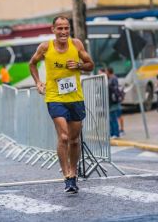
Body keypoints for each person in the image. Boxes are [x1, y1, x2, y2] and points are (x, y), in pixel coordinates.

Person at [29, 16, 94, 194]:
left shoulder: (77, 45)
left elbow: (90, 65)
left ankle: (74, 173)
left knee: (74, 140)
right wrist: (38, 82)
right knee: (64, 137)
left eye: (66, 28)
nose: (63, 32)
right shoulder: (45, 47)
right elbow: (32, 64)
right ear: (53, 30)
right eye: (60, 28)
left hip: (75, 97)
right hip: (54, 96)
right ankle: (66, 176)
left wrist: (79, 65)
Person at [106, 67, 120, 138]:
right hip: (111, 101)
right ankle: (112, 133)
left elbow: (115, 89)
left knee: (113, 118)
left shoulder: (113, 78)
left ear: (109, 72)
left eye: (106, 71)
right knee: (111, 118)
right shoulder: (110, 79)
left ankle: (116, 133)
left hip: (113, 101)